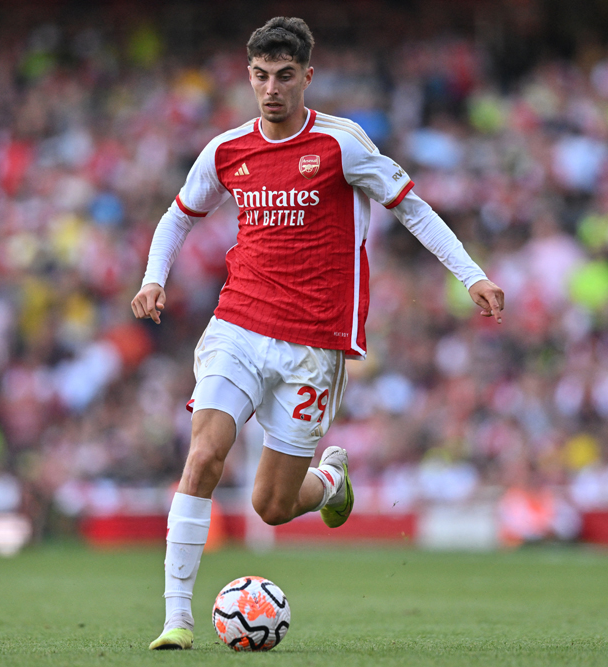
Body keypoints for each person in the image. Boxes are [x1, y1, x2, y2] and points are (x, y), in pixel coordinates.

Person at [131, 16, 504, 650]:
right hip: (239, 324)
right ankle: (177, 619)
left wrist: (470, 275)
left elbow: (410, 206)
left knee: (271, 506)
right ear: (248, 77)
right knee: (202, 457)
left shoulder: (341, 145)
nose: (270, 89)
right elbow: (177, 216)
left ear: (307, 75)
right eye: (259, 77)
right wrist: (152, 277)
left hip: (314, 342)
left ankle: (329, 482)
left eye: (283, 76)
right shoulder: (226, 150)